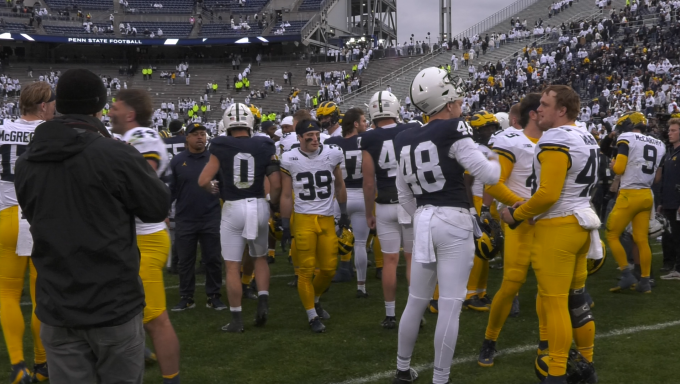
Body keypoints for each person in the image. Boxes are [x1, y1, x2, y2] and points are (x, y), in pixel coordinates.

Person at [14, 69, 169, 384]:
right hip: (111, 304)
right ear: (99, 105)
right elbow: (157, 207)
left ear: (58, 104)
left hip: (57, 304)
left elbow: (33, 213)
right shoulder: (114, 153)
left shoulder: (27, 160)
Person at [392, 67, 500, 384]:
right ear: (447, 98)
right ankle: (440, 378)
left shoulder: (404, 137)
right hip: (453, 219)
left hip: (423, 219)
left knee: (416, 300)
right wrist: (496, 158)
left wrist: (421, 217)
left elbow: (403, 193)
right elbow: (489, 176)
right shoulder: (454, 128)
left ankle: (401, 369)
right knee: (451, 304)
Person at [500, 85, 598, 384]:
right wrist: (527, 203)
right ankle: (587, 366)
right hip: (583, 224)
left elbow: (548, 195)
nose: (538, 109)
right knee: (577, 302)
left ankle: (556, 374)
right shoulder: (585, 134)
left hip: (558, 228)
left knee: (555, 303)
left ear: (562, 110)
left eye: (545, 104)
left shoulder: (554, 137)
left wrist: (516, 214)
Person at [109, 89, 181, 384]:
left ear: (130, 114)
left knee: (155, 317)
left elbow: (139, 183)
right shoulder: (126, 139)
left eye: (115, 107)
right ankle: (138, 351)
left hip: (145, 238)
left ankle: (171, 378)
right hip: (128, 237)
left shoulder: (142, 137)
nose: (110, 111)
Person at [198, 103, 281, 332]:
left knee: (233, 267)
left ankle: (236, 319)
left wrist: (212, 188)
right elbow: (275, 184)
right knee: (260, 258)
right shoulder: (265, 143)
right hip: (258, 204)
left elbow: (203, 180)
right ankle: (263, 300)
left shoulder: (220, 144)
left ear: (227, 124)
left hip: (233, 207)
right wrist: (272, 204)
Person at [477, 93, 546, 367]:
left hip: (549, 223)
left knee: (548, 288)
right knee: (510, 285)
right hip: (521, 224)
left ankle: (545, 344)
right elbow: (492, 183)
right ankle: (489, 340)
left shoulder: (556, 140)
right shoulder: (509, 140)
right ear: (534, 114)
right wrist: (519, 205)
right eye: (543, 108)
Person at [0, 82, 54, 383]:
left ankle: (18, 365)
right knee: (40, 296)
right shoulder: (48, 133)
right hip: (36, 217)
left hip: (4, 216)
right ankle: (42, 364)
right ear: (44, 105)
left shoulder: (3, 128)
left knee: (6, 294)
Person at [279, 119, 348, 332]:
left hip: (327, 217)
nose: (314, 139)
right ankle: (311, 316)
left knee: (328, 269)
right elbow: (286, 194)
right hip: (303, 219)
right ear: (299, 138)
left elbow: (339, 184)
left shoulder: (333, 153)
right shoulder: (289, 158)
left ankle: (315, 299)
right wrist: (285, 224)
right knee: (306, 270)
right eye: (309, 136)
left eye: (316, 135)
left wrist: (343, 212)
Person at [360, 91, 418, 329]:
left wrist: (368, 212)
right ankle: (414, 313)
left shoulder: (368, 138)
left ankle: (391, 314)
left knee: (390, 261)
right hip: (409, 202)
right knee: (412, 259)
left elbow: (369, 181)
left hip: (384, 204)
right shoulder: (411, 130)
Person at [168, 123, 225, 312]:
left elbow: (224, 188)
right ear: (187, 137)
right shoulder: (177, 161)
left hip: (211, 216)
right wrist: (164, 212)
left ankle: (214, 296)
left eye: (203, 134)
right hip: (185, 218)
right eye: (195, 134)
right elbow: (171, 191)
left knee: (213, 259)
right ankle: (186, 297)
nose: (200, 137)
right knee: (185, 261)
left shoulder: (214, 160)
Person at [606, 112, 665, 293]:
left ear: (628, 125)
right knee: (641, 240)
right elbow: (656, 177)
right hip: (647, 195)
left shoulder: (627, 137)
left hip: (629, 194)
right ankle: (645, 281)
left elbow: (620, 168)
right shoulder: (659, 144)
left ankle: (626, 274)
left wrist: (613, 165)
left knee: (611, 234)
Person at [324, 107, 369, 294]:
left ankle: (323, 276)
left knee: (329, 239)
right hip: (360, 195)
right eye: (364, 120)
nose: (366, 124)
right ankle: (361, 287)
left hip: (339, 197)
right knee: (360, 244)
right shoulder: (366, 141)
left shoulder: (333, 142)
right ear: (355, 124)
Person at [164, 119, 186, 274]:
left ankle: (170, 261)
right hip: (182, 184)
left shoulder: (162, 142)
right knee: (182, 227)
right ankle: (178, 261)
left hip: (165, 185)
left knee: (169, 228)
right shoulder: (186, 140)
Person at [658, 119, 680, 280]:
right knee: (668, 234)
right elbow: (664, 178)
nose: (669, 133)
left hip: (677, 201)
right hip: (667, 200)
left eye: (673, 130)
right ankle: (669, 263)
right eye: (669, 130)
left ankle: (678, 269)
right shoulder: (668, 153)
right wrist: (661, 201)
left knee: (678, 235)